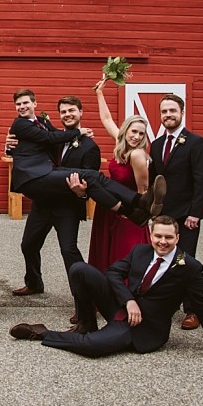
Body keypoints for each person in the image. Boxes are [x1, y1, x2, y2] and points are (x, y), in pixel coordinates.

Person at [9, 216, 203, 359]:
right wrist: (128, 300)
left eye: (168, 238)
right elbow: (113, 273)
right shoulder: (140, 251)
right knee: (79, 269)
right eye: (158, 236)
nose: (162, 242)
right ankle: (86, 323)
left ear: (177, 238)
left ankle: (42, 333)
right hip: (120, 307)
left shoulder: (190, 267)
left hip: (143, 328)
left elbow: (201, 305)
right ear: (151, 235)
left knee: (93, 347)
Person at [8, 89, 165, 226]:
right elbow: (49, 137)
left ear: (35, 103)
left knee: (94, 177)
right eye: (18, 104)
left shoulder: (42, 122)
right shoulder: (20, 124)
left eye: (25, 102)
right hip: (35, 178)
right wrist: (79, 132)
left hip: (58, 190)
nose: (22, 106)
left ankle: (134, 209)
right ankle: (136, 203)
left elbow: (55, 134)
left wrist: (78, 135)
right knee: (92, 176)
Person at [7, 95, 100, 326]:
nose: (68, 115)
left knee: (69, 252)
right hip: (43, 204)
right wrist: (9, 145)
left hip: (67, 207)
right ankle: (34, 282)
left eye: (72, 111)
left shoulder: (89, 146)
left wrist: (82, 194)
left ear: (81, 112)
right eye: (64, 112)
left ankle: (84, 304)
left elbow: (90, 184)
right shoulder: (53, 137)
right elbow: (29, 149)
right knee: (28, 245)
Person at [148, 93, 203, 330]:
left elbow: (201, 180)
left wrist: (195, 212)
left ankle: (193, 309)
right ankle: (165, 304)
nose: (168, 115)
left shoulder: (196, 143)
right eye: (164, 111)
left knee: (186, 261)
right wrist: (152, 212)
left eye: (172, 110)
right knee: (162, 259)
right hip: (163, 215)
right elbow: (154, 181)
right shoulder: (156, 144)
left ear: (182, 113)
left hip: (186, 215)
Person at [88, 77, 151, 272]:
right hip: (108, 206)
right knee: (107, 250)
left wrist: (133, 215)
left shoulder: (137, 155)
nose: (136, 137)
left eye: (141, 134)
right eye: (134, 131)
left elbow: (143, 191)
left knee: (125, 253)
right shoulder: (120, 143)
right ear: (125, 131)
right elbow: (107, 119)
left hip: (127, 211)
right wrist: (99, 93)